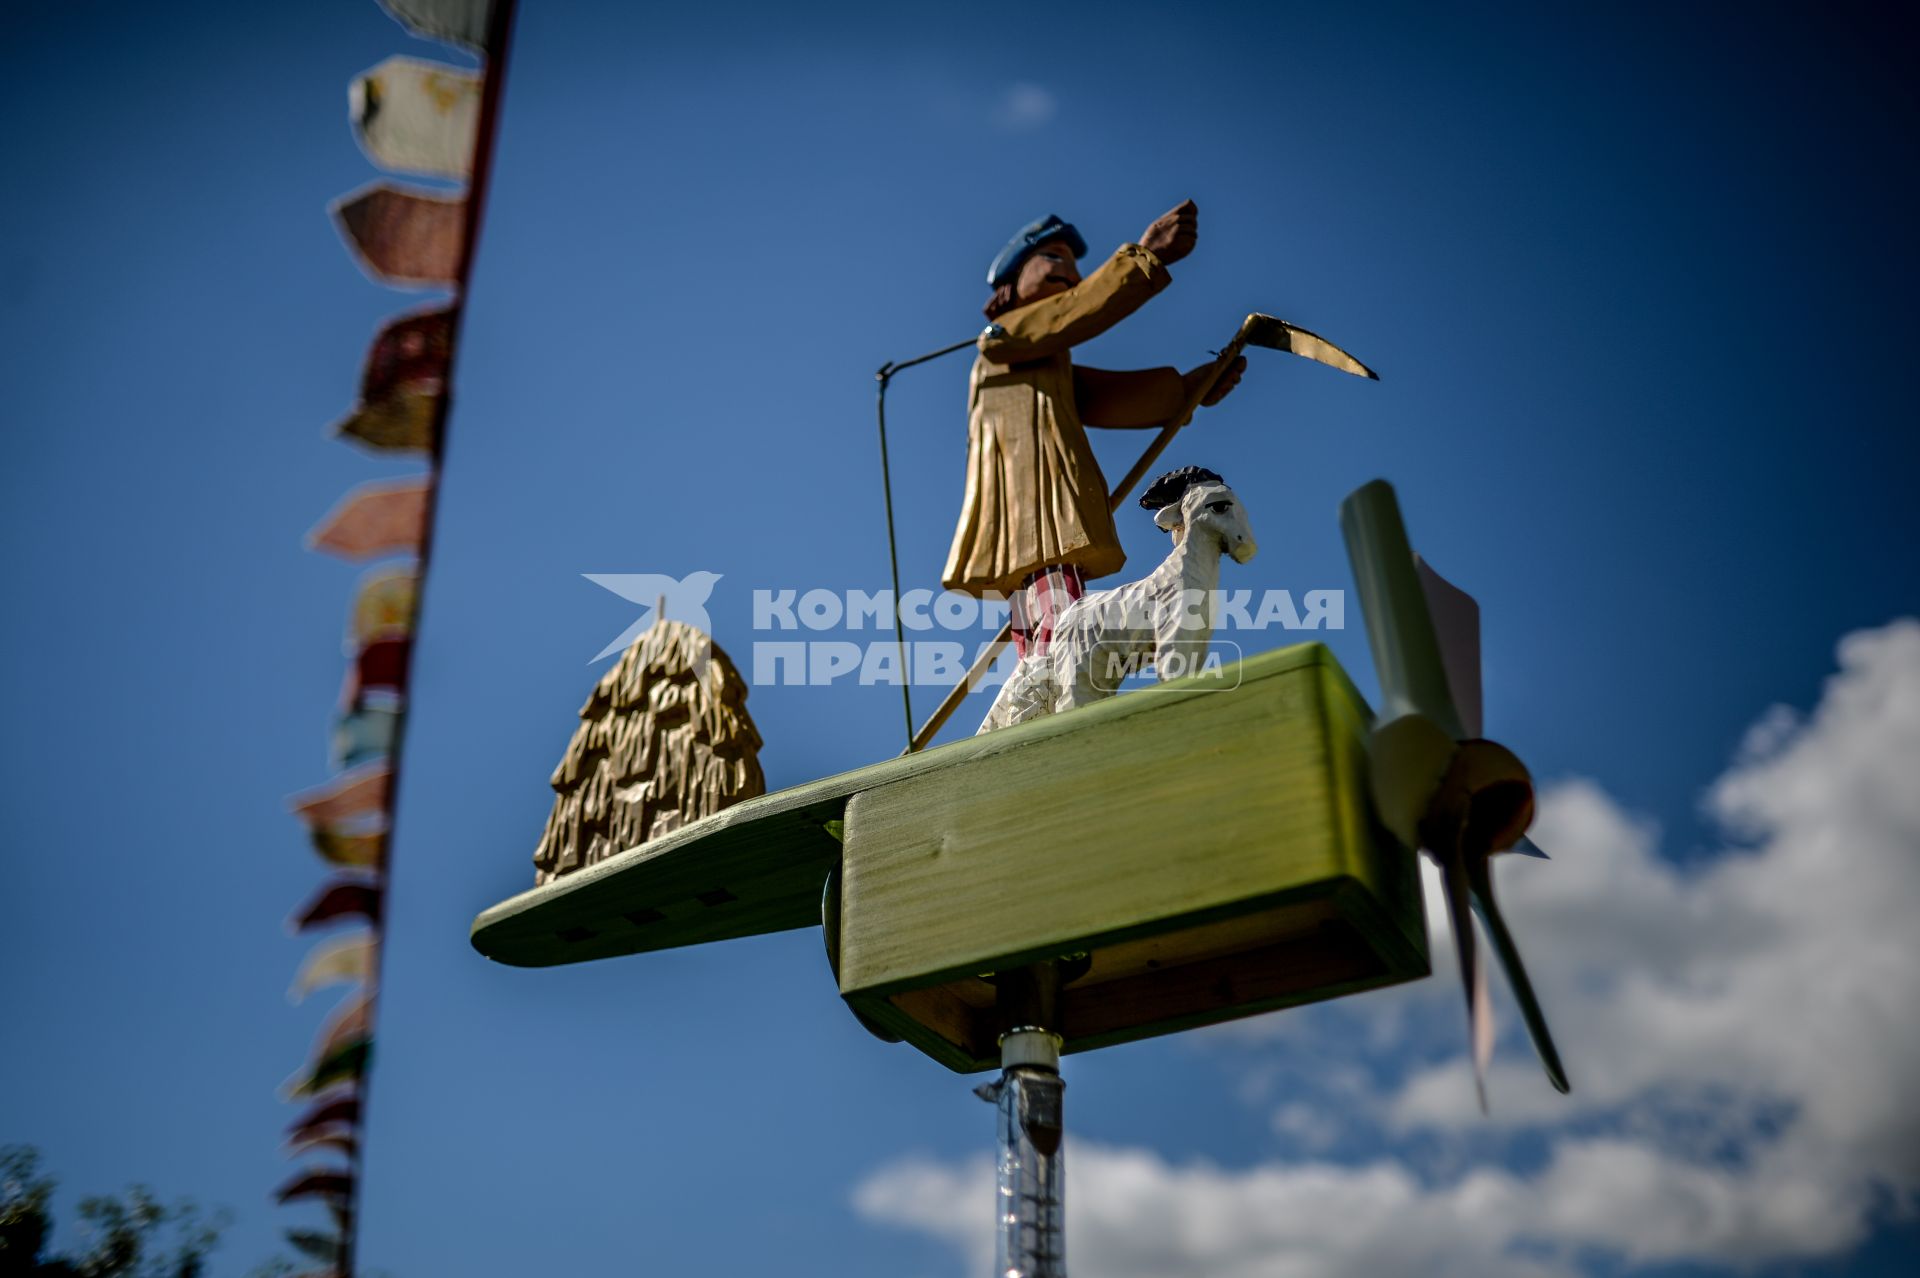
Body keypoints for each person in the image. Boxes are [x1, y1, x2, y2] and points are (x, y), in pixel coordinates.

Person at [941, 200, 1246, 656]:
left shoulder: (1045, 358)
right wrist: (1145, 258)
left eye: (1074, 264)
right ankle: (1050, 662)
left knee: (1053, 588)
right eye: (1054, 256)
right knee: (1047, 587)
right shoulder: (1004, 338)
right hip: (1029, 493)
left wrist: (1187, 391)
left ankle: (1049, 661)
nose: (1069, 270)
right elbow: (1072, 312)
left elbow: (1102, 398)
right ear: (1011, 281)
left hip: (1050, 487)